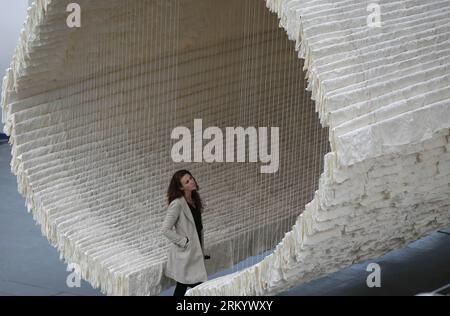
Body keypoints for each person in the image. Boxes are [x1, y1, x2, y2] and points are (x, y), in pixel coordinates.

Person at [161, 169, 211, 296]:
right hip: (186, 254)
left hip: (195, 251)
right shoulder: (177, 204)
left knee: (183, 287)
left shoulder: (194, 200)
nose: (192, 182)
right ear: (181, 187)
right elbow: (165, 229)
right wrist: (184, 242)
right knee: (201, 289)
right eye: (187, 182)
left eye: (191, 178)